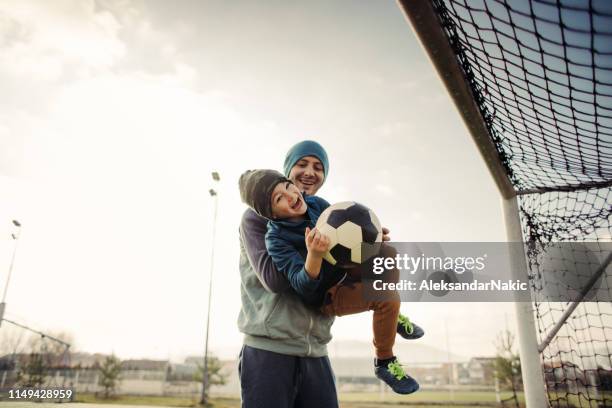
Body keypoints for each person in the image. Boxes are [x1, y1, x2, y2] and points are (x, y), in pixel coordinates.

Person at [236, 140, 421, 407]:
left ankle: (388, 337)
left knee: (385, 253)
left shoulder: (324, 212)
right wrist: (317, 253)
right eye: (302, 164)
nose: (310, 172)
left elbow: (338, 270)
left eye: (318, 167)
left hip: (316, 349)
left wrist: (367, 242)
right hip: (270, 350)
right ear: (287, 170)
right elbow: (275, 281)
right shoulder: (258, 218)